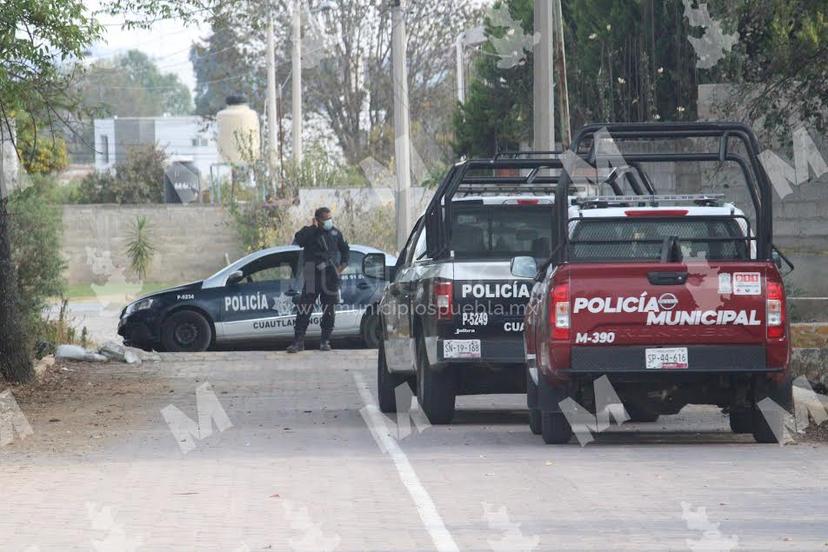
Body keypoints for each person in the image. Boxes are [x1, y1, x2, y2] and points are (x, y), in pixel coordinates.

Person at [287, 207, 349, 353]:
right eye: (326, 219)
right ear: (318, 220)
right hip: (312, 275)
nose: (329, 222)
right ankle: (298, 342)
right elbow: (298, 240)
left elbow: (345, 251)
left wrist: (341, 268)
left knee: (329, 310)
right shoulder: (309, 232)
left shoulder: (335, 233)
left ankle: (325, 341)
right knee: (304, 309)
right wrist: (312, 228)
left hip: (330, 276)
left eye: (330, 218)